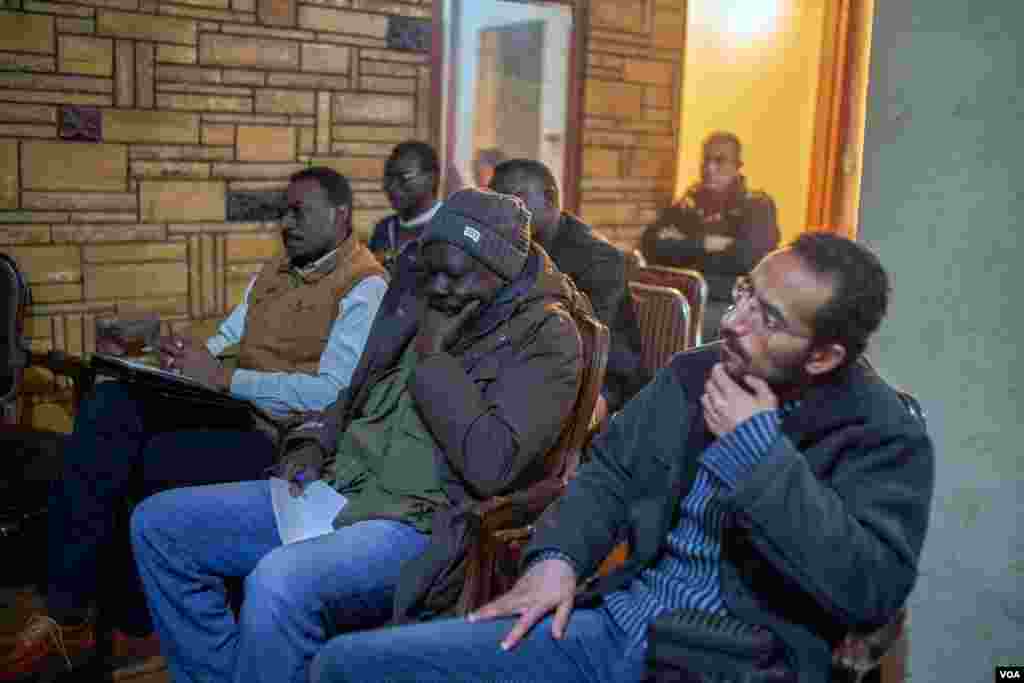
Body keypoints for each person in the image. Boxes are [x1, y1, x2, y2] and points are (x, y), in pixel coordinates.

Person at [310, 232, 936, 683]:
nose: (736, 321)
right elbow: (607, 473)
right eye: (745, 293)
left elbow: (870, 588)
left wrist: (758, 452)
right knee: (348, 665)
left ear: (824, 356)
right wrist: (556, 560)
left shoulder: (881, 433)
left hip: (733, 662)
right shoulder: (696, 373)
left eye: (767, 316)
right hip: (614, 624)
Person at [129, 188, 588, 683]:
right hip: (341, 487)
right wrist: (316, 438)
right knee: (160, 527)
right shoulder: (418, 289)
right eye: (432, 268)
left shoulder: (549, 336)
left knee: (278, 583)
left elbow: (490, 464)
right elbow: (355, 388)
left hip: (422, 523)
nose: (439, 286)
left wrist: (434, 362)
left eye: (455, 275)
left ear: (497, 270)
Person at [3, 167, 388, 680]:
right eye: (282, 210)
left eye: (299, 211)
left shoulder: (366, 287)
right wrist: (180, 359)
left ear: (341, 216)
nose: (285, 222)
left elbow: (332, 393)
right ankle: (72, 611)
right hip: (236, 410)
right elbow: (227, 340)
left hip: (289, 440)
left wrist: (228, 379)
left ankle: (125, 619)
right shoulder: (275, 272)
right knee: (112, 402)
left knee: (151, 458)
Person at [490, 158, 649, 416]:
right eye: (497, 203)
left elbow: (586, 337)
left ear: (550, 198)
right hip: (528, 362)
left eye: (515, 201)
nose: (504, 214)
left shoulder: (597, 257)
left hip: (602, 375)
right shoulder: (506, 247)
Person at [641, 131, 780, 341]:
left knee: (683, 327)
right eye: (706, 161)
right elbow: (650, 246)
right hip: (686, 298)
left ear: (737, 166)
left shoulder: (756, 206)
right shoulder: (690, 203)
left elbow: (749, 259)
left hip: (727, 303)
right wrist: (705, 244)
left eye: (720, 161)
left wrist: (682, 248)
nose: (710, 169)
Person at [367, 141, 442, 272]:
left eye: (403, 178)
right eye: (389, 178)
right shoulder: (384, 229)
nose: (392, 187)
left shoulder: (450, 228)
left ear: (431, 179)